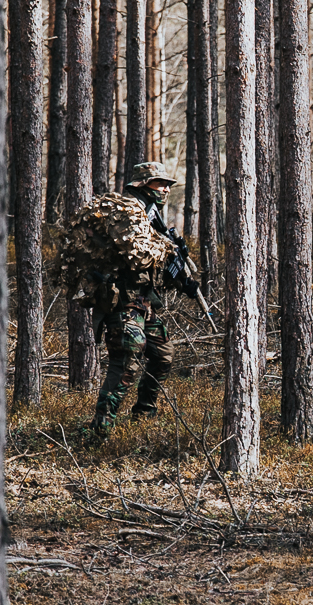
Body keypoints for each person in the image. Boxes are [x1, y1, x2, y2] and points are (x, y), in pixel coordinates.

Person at [61, 161, 207, 441]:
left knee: (163, 356)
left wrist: (182, 279)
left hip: (143, 303)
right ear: (142, 184)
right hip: (121, 302)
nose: (165, 188)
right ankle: (100, 428)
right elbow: (137, 255)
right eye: (159, 183)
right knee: (125, 361)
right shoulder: (128, 211)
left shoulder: (152, 216)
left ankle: (144, 414)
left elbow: (153, 265)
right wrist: (167, 250)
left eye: (167, 184)